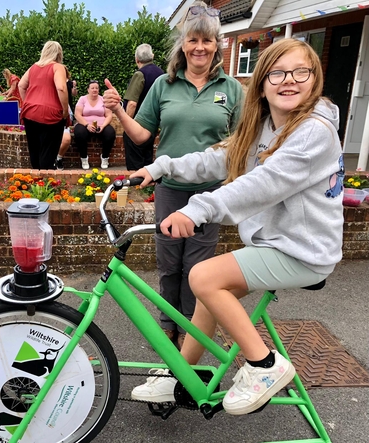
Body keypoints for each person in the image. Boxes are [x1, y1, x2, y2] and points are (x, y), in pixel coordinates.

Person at [128, 38, 344, 415]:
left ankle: (264, 366)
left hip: (304, 252)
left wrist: (197, 209)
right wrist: (160, 167)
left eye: (300, 72)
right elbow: (220, 158)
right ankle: (183, 373)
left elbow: (262, 184)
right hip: (277, 245)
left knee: (204, 276)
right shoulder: (265, 127)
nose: (288, 81)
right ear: (262, 83)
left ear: (315, 80)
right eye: (277, 73)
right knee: (212, 296)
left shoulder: (313, 133)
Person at [104, 1, 243, 349]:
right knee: (168, 264)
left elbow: (243, 143)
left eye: (207, 41)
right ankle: (168, 323)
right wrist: (120, 111)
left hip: (209, 195)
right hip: (170, 190)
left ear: (216, 46)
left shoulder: (233, 89)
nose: (200, 47)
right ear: (183, 44)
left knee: (198, 269)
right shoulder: (164, 85)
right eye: (193, 40)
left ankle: (190, 330)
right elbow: (141, 135)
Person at [18, 41, 69, 170]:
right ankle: (45, 183)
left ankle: (35, 183)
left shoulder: (33, 67)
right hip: (51, 114)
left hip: (30, 112)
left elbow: (21, 86)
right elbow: (61, 88)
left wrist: (28, 102)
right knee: (48, 153)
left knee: (34, 151)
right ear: (59, 53)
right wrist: (64, 111)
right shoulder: (58, 67)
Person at [122, 44, 164, 170]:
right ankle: (147, 189)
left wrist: (127, 125)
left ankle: (136, 188)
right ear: (152, 56)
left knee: (135, 165)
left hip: (137, 125)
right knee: (148, 162)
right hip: (153, 125)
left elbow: (132, 103)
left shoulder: (140, 74)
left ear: (136, 59)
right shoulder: (162, 74)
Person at [74, 80, 116, 169]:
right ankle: (84, 158)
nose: (95, 90)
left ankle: (105, 157)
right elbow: (77, 114)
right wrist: (87, 125)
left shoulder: (103, 99)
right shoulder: (82, 99)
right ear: (88, 90)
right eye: (92, 88)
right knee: (79, 133)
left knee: (110, 133)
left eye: (96, 88)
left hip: (101, 125)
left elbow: (109, 115)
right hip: (85, 125)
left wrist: (103, 126)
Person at [55, 68, 78, 170]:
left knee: (66, 139)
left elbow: (74, 94)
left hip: (66, 111)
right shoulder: (52, 81)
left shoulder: (69, 83)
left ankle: (58, 158)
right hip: (52, 111)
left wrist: (74, 87)